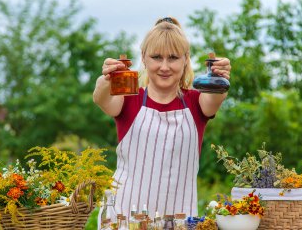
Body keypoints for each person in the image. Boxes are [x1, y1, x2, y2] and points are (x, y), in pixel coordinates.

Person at [93, 17, 231, 222]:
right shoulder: (130, 99)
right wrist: (106, 79)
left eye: (173, 58)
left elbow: (217, 96)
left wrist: (221, 76)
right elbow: (100, 98)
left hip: (178, 221)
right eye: (157, 57)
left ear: (185, 59)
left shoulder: (197, 103)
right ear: (144, 58)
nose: (164, 66)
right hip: (123, 219)